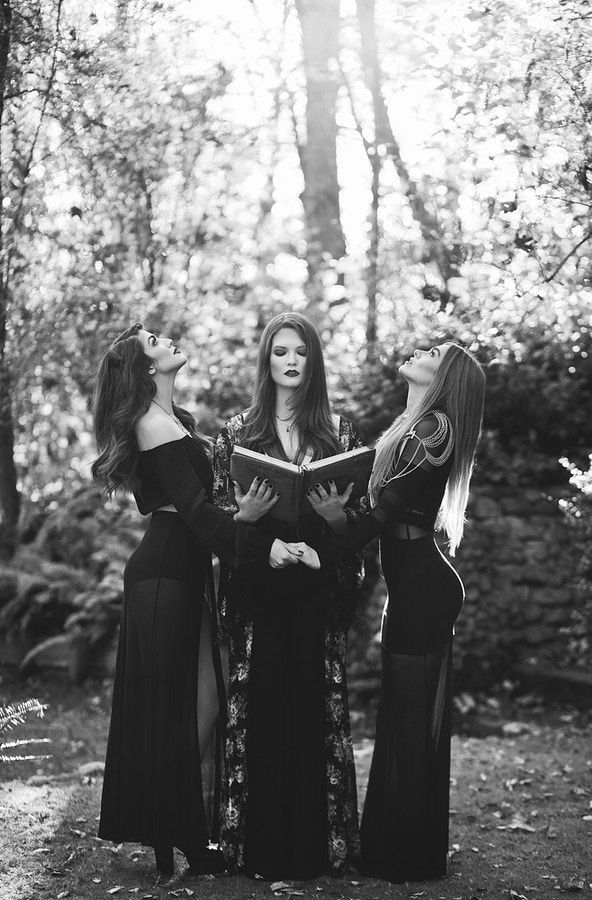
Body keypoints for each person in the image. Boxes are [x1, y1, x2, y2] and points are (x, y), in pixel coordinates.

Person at [92, 323, 302, 881]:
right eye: (154, 340)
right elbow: (199, 515)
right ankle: (178, 836)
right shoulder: (149, 424)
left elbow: (204, 509)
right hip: (163, 577)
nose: (167, 339)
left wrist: (247, 518)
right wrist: (251, 526)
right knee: (174, 707)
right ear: (145, 367)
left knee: (209, 694)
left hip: (182, 575)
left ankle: (178, 825)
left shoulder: (175, 420)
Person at [296, 341, 485, 882]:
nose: (420, 349)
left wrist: (328, 546)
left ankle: (408, 856)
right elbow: (375, 514)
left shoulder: (435, 430)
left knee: (409, 721)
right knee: (402, 717)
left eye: (433, 351)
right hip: (414, 588)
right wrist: (334, 521)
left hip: (424, 588)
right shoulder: (413, 427)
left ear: (444, 374)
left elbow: (384, 513)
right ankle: (396, 847)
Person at [212, 312, 367, 880]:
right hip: (261, 592)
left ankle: (314, 850)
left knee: (311, 715)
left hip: (314, 591)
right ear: (267, 360)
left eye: (301, 351)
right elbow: (218, 521)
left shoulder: (340, 433)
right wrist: (259, 538)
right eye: (280, 351)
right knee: (261, 714)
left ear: (314, 360)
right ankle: (255, 849)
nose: (292, 361)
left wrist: (330, 528)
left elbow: (356, 524)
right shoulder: (236, 433)